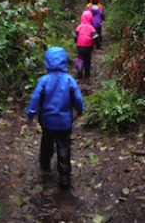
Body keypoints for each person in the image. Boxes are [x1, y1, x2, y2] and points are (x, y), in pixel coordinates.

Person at [26, 46, 85, 188]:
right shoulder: (69, 80)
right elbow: (77, 98)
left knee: (46, 142)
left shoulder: (44, 80)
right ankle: (64, 177)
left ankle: (45, 165)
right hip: (64, 122)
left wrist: (30, 114)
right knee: (64, 147)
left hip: (47, 121)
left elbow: (35, 99)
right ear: (64, 61)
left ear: (47, 62)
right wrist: (80, 109)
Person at [74, 10, 97, 79]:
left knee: (80, 57)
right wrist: (96, 44)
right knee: (87, 59)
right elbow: (95, 37)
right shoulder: (91, 28)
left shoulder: (79, 27)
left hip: (80, 46)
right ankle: (87, 74)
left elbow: (75, 35)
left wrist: (76, 41)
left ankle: (79, 71)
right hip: (88, 47)